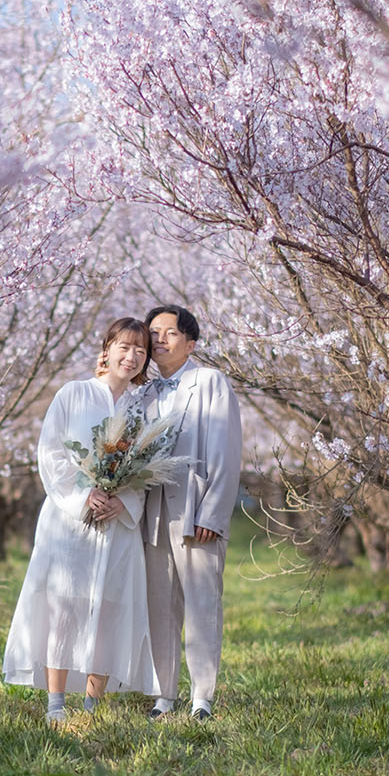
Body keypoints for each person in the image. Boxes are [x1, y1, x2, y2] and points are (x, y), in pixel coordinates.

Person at [2, 318, 163, 722]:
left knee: (109, 609)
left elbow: (148, 468)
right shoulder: (73, 394)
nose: (131, 356)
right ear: (106, 350)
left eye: (141, 351)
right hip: (70, 520)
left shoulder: (141, 410)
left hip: (116, 525)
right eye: (124, 347)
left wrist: (122, 502)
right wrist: (82, 496)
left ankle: (92, 706)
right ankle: (56, 705)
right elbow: (51, 453)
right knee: (64, 605)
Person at [138, 305, 242, 721]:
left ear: (191, 342)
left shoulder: (210, 382)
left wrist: (212, 514)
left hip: (195, 512)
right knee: (159, 606)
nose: (159, 339)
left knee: (202, 603)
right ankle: (165, 695)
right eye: (154, 332)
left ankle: (202, 697)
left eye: (169, 333)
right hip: (153, 515)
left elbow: (225, 452)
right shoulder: (143, 391)